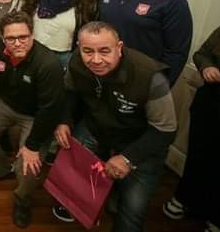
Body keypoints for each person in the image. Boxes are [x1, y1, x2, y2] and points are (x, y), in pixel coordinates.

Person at [52, 22, 177, 232]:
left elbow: (166, 130)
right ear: (78, 48)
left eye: (104, 51)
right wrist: (64, 120)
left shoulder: (150, 77)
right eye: (87, 51)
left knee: (131, 209)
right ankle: (79, 204)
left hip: (140, 142)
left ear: (119, 47)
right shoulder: (76, 62)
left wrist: (128, 158)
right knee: (74, 165)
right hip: (97, 127)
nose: (96, 60)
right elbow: (70, 92)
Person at [0, 11, 64, 228]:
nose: (17, 43)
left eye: (23, 37)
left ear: (32, 35)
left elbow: (49, 110)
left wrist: (32, 146)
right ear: (3, 39)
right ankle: (3, 169)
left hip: (35, 115)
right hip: (5, 105)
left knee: (29, 166)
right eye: (11, 38)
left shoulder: (48, 64)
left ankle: (22, 200)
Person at [162, 23, 220, 232]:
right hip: (211, 105)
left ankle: (218, 219)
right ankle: (184, 199)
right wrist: (207, 66)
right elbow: (202, 53)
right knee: (198, 154)